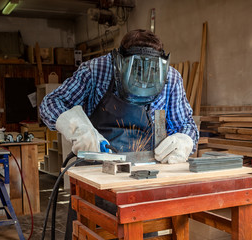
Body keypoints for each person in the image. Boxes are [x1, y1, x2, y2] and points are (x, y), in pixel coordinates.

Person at [39, 29, 199, 239]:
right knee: (87, 232)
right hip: (97, 178)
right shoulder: (95, 70)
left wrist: (184, 139)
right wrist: (78, 128)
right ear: (119, 64)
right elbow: (50, 103)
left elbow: (187, 124)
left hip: (144, 181)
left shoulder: (171, 78)